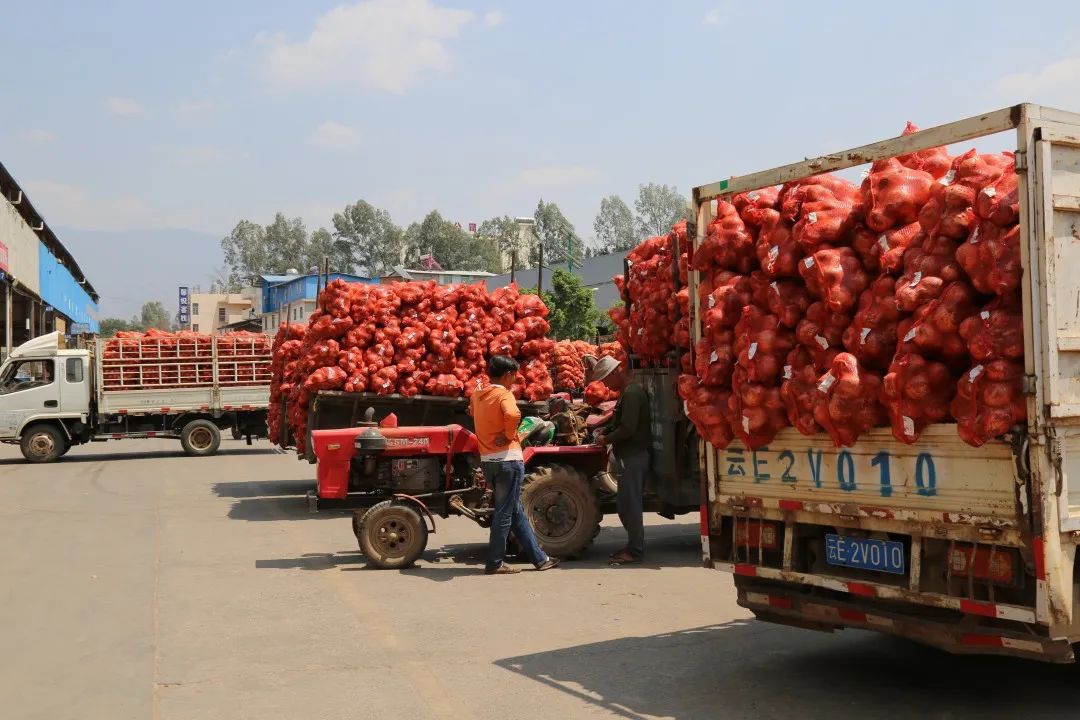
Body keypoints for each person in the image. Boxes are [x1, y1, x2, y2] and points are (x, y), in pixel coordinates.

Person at [470, 355, 560, 575]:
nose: (515, 381)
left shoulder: (478, 395)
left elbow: (472, 412)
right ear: (508, 374)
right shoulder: (504, 394)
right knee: (505, 512)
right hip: (507, 460)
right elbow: (512, 413)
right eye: (514, 376)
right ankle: (494, 562)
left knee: (514, 509)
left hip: (489, 461)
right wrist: (509, 434)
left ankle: (540, 559)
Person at [590, 356, 651, 565]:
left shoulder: (632, 394)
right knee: (626, 504)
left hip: (633, 457)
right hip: (628, 456)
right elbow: (620, 421)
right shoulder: (627, 393)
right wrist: (605, 430)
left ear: (616, 372)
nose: (606, 385)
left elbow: (628, 428)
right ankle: (633, 547)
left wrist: (606, 438)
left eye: (607, 380)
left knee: (630, 505)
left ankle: (635, 550)